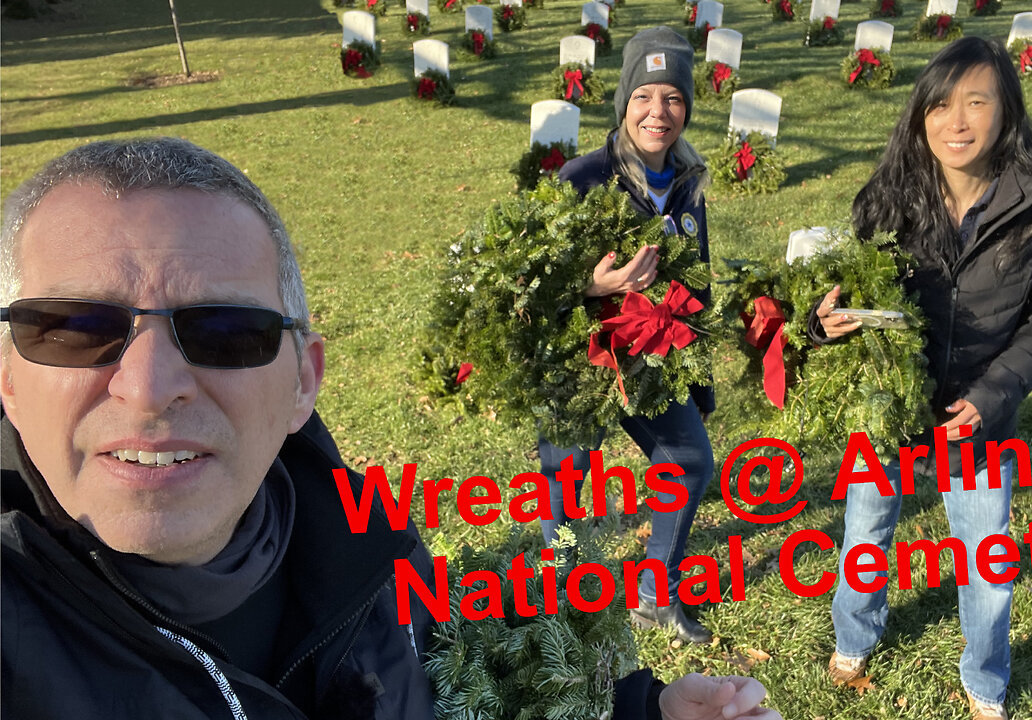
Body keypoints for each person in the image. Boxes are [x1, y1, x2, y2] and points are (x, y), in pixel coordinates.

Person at [0, 138, 779, 720]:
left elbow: (466, 692)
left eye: (226, 331)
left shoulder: (366, 544)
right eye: (72, 328)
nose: (147, 387)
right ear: (6, 375)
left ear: (305, 378)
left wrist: (639, 715)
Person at [812, 37, 1032, 720]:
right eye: (939, 105)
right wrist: (824, 322)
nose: (955, 122)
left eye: (975, 102)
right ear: (919, 114)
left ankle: (986, 679)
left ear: (1006, 111)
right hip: (892, 404)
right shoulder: (888, 195)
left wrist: (992, 397)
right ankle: (855, 635)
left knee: (986, 552)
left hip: (981, 408)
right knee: (867, 526)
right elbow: (844, 291)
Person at [537, 26, 717, 644]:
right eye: (643, 96)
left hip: (654, 359)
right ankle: (558, 598)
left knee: (690, 462)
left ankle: (654, 594)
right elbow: (532, 282)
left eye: (671, 98)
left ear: (687, 108)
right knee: (565, 476)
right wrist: (590, 288)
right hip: (580, 357)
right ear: (623, 104)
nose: (657, 113)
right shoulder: (582, 178)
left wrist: (702, 374)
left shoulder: (690, 181)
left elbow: (701, 276)